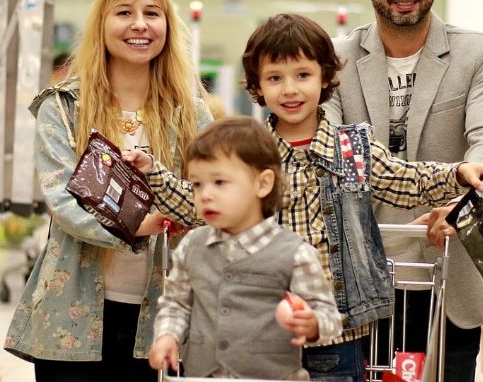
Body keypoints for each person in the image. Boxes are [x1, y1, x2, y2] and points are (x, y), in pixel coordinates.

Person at [127, 13, 483, 381]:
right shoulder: (251, 154)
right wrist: (154, 175)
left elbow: (406, 180)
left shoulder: (351, 148)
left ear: (325, 78)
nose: (290, 90)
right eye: (275, 78)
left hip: (339, 332)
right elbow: (202, 206)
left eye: (302, 75)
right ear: (256, 87)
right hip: (262, 335)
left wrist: (458, 173)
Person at [323, 0, 483, 382]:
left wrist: (467, 197)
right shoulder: (332, 59)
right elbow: (324, 144)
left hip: (448, 272)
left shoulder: (479, 53)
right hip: (353, 279)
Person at [4, 0, 212, 382]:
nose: (140, 24)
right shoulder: (62, 108)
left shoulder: (190, 113)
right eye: (124, 12)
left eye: (153, 13)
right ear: (101, 22)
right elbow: (62, 200)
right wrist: (139, 224)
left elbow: (215, 193)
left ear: (168, 26)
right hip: (71, 317)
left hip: (162, 318)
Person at [143, 116, 343, 380]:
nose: (205, 195)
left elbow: (330, 317)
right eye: (197, 184)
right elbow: (177, 304)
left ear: (262, 184)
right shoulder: (192, 245)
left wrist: (315, 324)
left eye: (220, 182)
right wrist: (167, 335)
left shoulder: (295, 253)